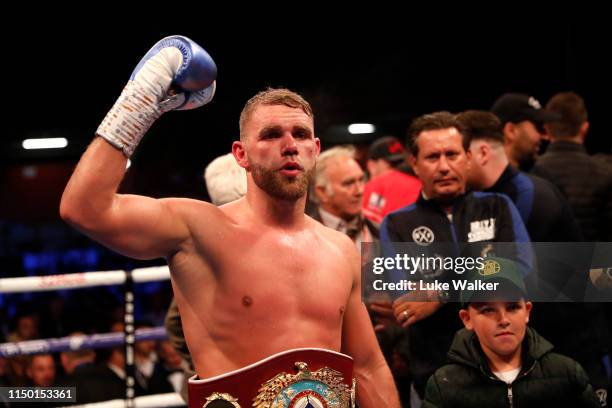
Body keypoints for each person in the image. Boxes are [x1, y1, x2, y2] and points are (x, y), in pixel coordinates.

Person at [60, 35, 399, 407]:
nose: (289, 145)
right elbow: (85, 208)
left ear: (315, 151)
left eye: (300, 135)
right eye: (271, 135)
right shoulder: (199, 230)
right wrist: (141, 101)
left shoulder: (340, 250)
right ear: (241, 154)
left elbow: (368, 367)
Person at [375, 111, 531, 403]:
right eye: (433, 157)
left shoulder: (498, 206)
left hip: (506, 372)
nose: (444, 166)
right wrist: (485, 274)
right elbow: (407, 300)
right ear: (414, 164)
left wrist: (439, 292)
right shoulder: (396, 224)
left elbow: (520, 271)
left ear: (468, 158)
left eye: (452, 154)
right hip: (434, 375)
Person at [423, 257, 600, 408]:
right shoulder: (444, 387)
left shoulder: (567, 374)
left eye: (513, 307)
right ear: (466, 319)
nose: (503, 319)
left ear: (527, 311)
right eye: (487, 310)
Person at [532, 91, 612, 242]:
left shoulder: (530, 175)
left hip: (546, 264)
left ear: (547, 130)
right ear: (585, 128)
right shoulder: (606, 173)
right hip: (597, 264)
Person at [309, 145, 378, 247]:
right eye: (349, 183)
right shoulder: (303, 237)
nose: (359, 191)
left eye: (361, 180)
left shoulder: (379, 230)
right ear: (322, 192)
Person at [491, 93, 560, 171]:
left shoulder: (538, 178)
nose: (546, 137)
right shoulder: (479, 181)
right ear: (511, 131)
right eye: (538, 127)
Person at [362, 136, 421, 224]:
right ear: (372, 166)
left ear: (371, 166)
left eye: (399, 163)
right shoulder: (421, 185)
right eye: (392, 164)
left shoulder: (369, 188)